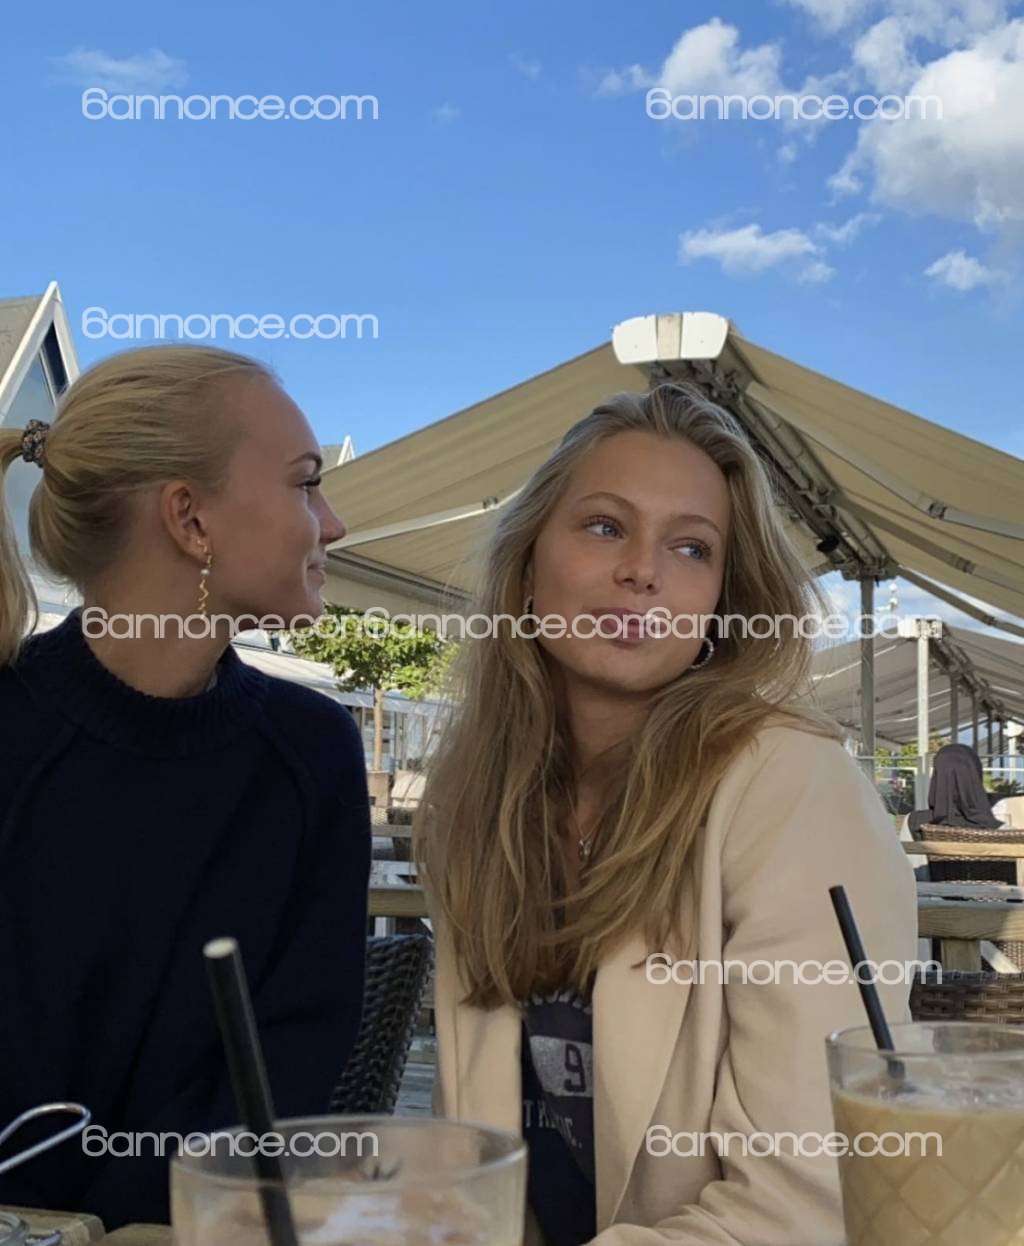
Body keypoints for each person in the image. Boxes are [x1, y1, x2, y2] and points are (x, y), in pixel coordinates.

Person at [417, 383, 917, 1246]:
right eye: (604, 526)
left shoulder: (790, 784)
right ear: (527, 565)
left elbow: (803, 1206)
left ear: (723, 599)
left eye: (691, 547)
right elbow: (475, 1162)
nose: (643, 570)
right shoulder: (476, 799)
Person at [0, 345, 370, 1228]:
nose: (334, 524)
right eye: (306, 483)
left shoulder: (314, 751)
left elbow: (295, 1053)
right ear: (190, 519)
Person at [909, 742, 1008, 883]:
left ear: (937, 776)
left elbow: (913, 873)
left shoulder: (913, 822)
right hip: (997, 896)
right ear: (976, 775)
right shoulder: (1003, 825)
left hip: (935, 896)